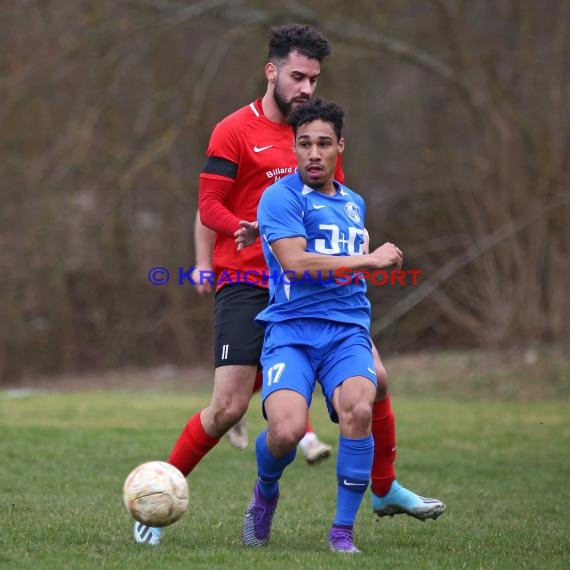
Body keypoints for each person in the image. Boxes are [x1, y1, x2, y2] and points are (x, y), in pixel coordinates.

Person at [133, 24, 444, 546]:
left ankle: (384, 489)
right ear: (271, 71)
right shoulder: (233, 129)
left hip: (314, 288)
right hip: (249, 277)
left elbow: (335, 204)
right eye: (297, 76)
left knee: (378, 380)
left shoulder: (316, 133)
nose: (306, 88)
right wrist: (235, 233)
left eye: (314, 78)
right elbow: (208, 204)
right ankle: (156, 495)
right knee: (228, 407)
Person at [242, 98, 404, 553]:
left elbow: (346, 254)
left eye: (324, 144)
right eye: (305, 144)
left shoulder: (355, 204)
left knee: (358, 407)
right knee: (287, 432)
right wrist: (369, 258)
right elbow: (294, 263)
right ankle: (265, 492)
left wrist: (366, 256)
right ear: (293, 148)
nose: (314, 153)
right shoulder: (278, 196)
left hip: (346, 333)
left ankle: (342, 531)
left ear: (340, 148)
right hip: (291, 331)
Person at [190, 213, 333, 463]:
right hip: (245, 283)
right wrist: (203, 263)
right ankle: (242, 413)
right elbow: (206, 209)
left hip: (294, 280)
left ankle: (307, 438)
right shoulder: (237, 176)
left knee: (292, 360)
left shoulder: (313, 175)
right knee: (240, 387)